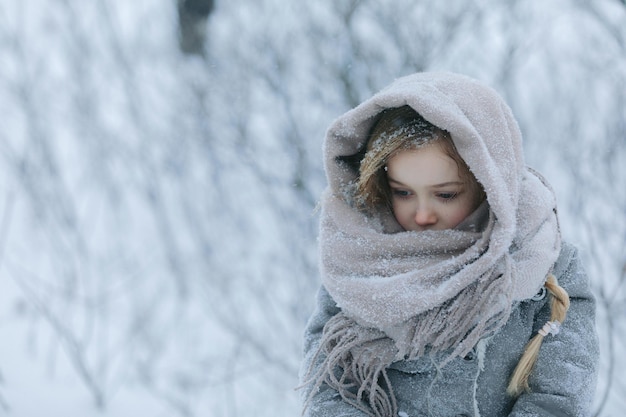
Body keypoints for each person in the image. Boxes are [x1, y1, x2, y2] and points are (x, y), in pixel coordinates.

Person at [299, 72, 599, 417]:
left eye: (445, 194)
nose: (423, 214)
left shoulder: (543, 256)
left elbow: (561, 391)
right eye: (403, 192)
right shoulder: (358, 259)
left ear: (489, 185)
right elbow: (330, 389)